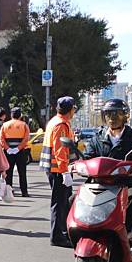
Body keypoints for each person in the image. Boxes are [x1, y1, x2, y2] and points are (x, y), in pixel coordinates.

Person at [83, 99, 132, 231]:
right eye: (108, 114)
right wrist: (77, 164)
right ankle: (78, 231)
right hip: (99, 183)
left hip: (126, 183)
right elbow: (87, 157)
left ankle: (126, 231)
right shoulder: (97, 138)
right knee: (74, 198)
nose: (112, 118)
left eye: (117, 113)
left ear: (125, 116)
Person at [40, 96, 78, 248]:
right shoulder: (61, 125)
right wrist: (65, 172)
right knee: (59, 202)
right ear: (70, 110)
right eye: (74, 108)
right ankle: (57, 236)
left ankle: (62, 232)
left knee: (63, 201)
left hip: (56, 169)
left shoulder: (55, 121)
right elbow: (60, 149)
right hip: (58, 170)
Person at [0, 107, 30, 197]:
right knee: (22, 172)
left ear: (11, 115)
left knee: (9, 172)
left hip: (8, 152)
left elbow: (1, 138)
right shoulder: (24, 125)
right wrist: (18, 148)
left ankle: (9, 191)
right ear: (20, 115)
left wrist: (7, 148)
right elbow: (26, 138)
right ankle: (24, 192)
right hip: (21, 152)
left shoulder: (5, 125)